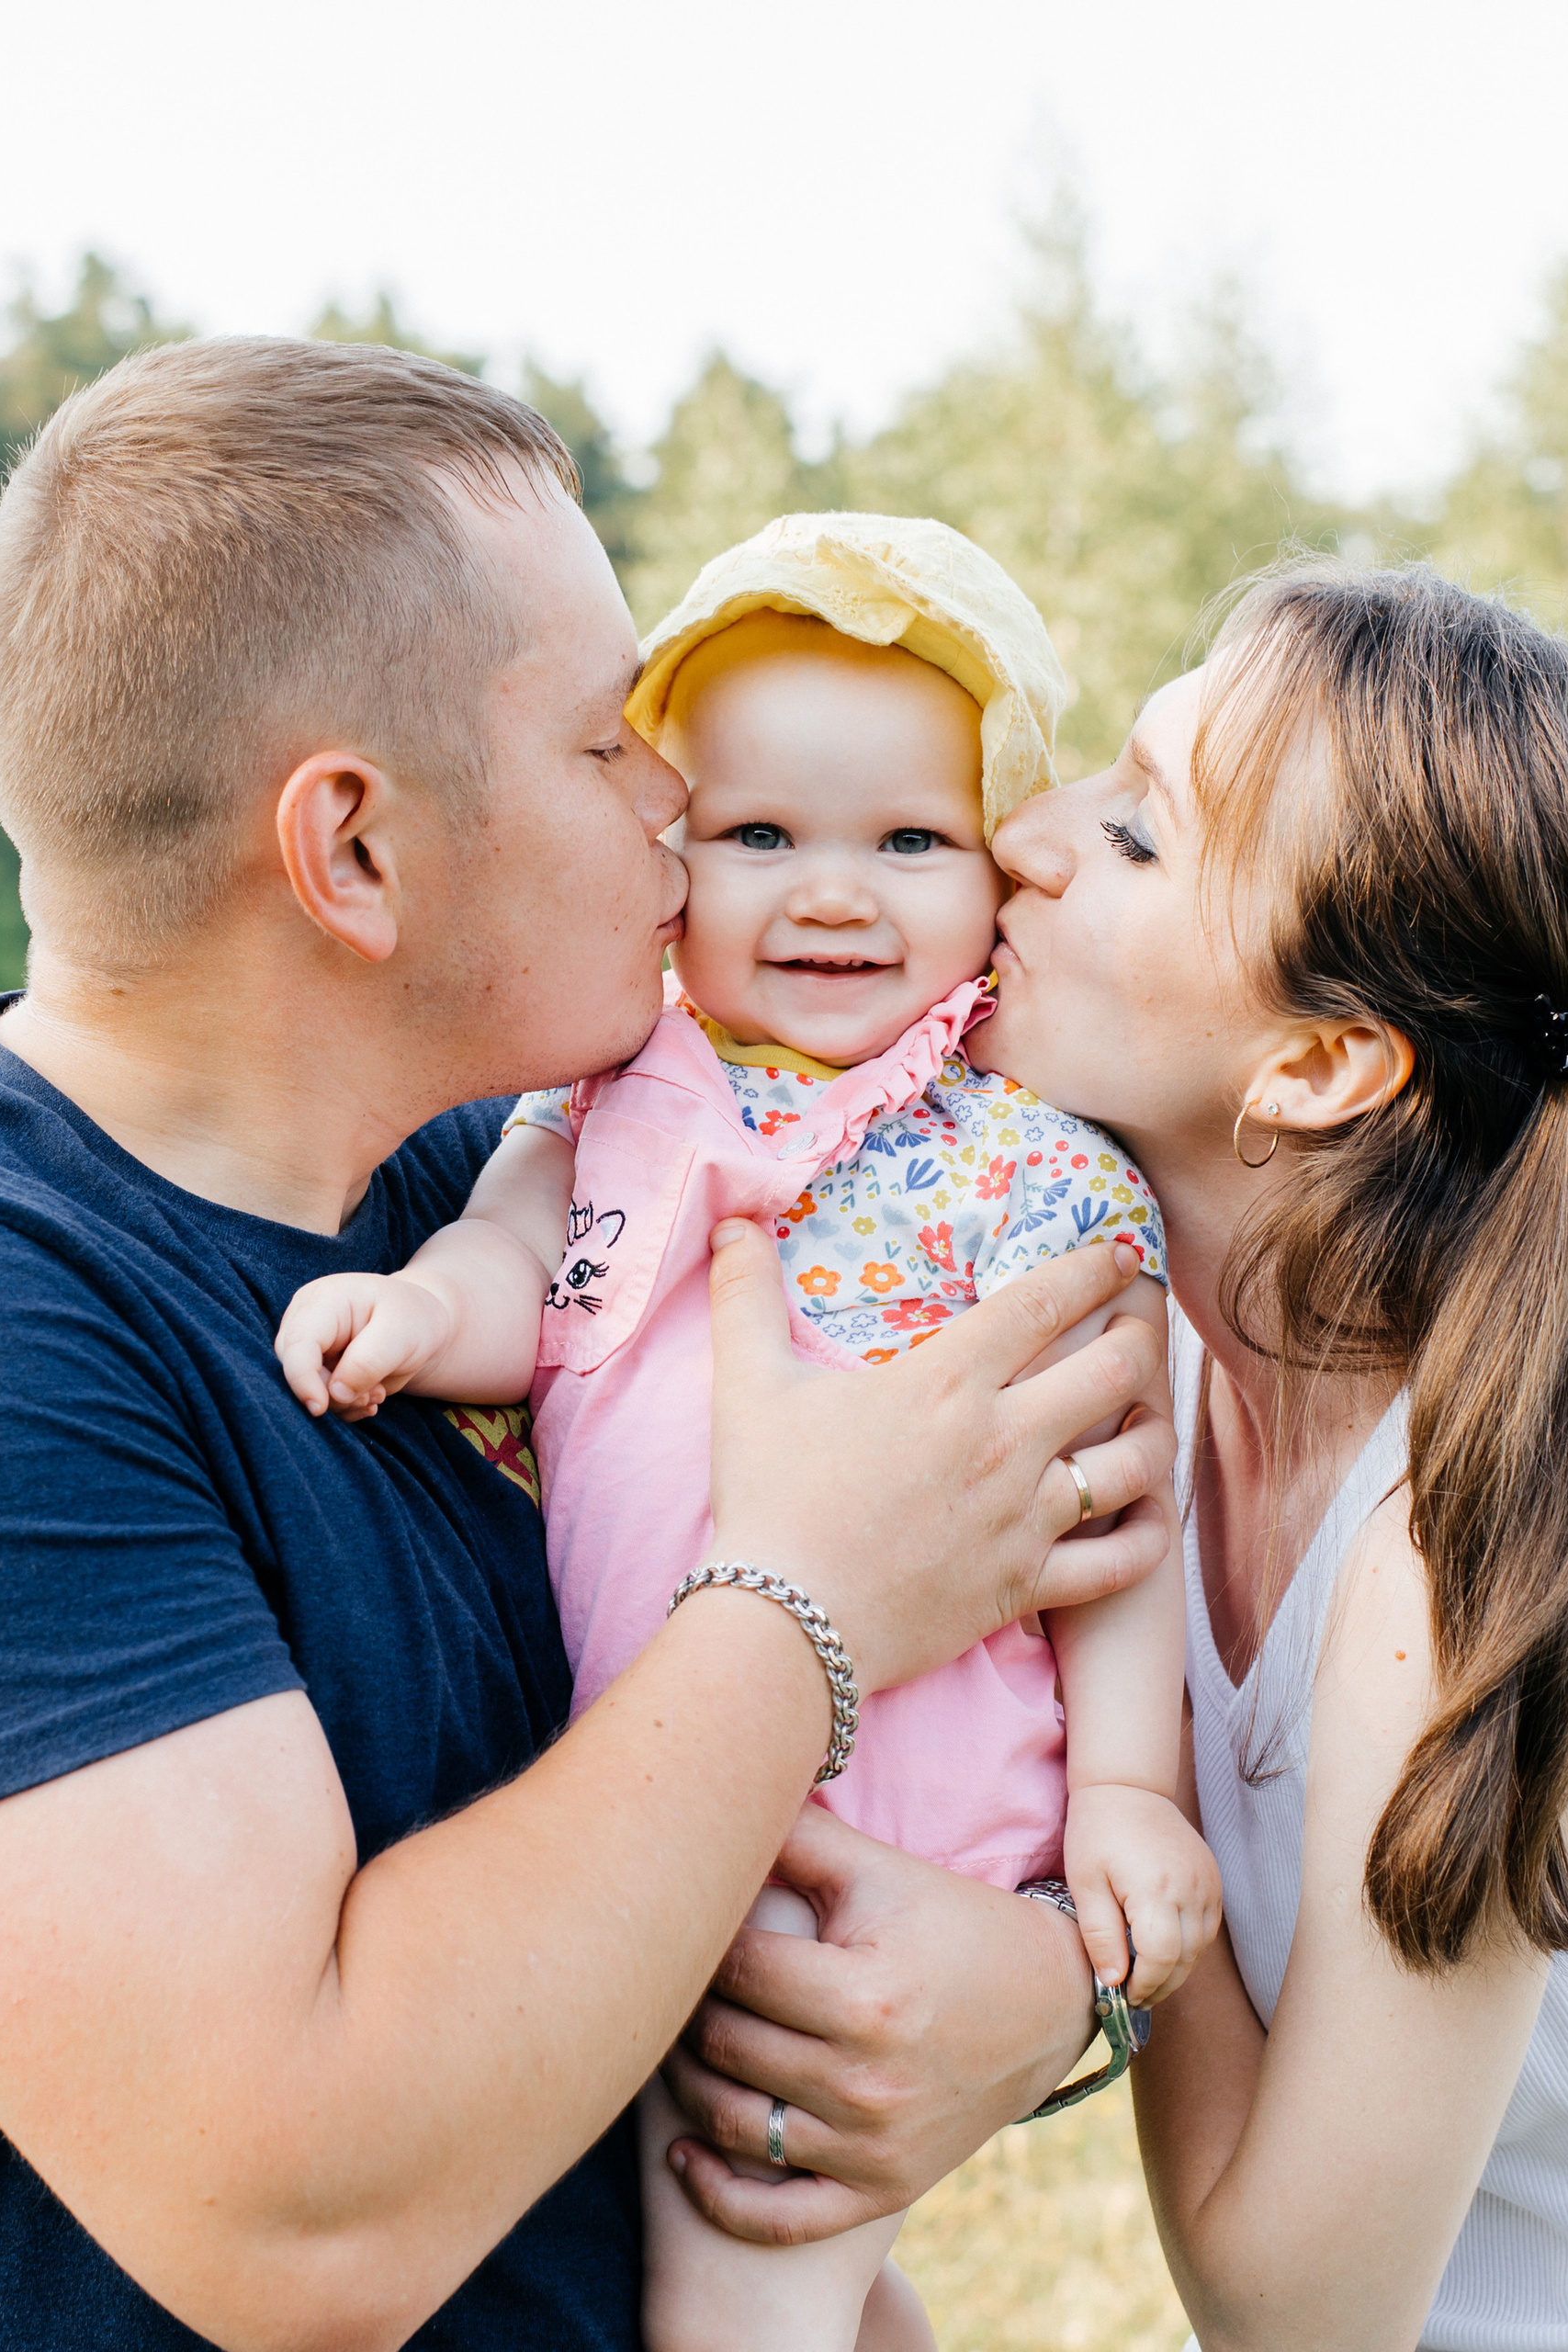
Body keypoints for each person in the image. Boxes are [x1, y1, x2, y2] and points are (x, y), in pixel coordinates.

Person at [0, 338, 1178, 2351]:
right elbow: (303, 2216)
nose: (680, 800)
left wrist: (1049, 1984)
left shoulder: (501, 1188)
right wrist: (810, 1603)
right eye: (609, 746)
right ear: (350, 847)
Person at [274, 512, 1218, 2352]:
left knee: (735, 2246)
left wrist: (1120, 1790)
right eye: (760, 834)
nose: (832, 893)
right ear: (668, 850)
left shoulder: (1016, 1160)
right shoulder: (612, 1082)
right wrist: (417, 1317)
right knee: (738, 2260)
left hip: (878, 1816)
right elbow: (510, 1254)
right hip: (648, 1781)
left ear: (994, 868)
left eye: (909, 841)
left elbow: (1110, 1504)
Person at [946, 561, 1568, 2350]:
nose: (1021, 836)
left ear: (1322, 1059)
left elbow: (1295, 2309)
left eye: (1131, 833)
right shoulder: (1161, 1350)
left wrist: (1139, 1832)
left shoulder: (1464, 1537)